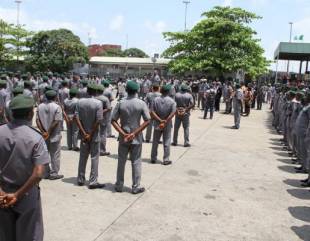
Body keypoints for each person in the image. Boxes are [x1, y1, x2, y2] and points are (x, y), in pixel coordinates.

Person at [0, 95, 50, 241]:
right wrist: (17, 195)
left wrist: (2, 192)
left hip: (2, 194)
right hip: (26, 194)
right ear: (30, 113)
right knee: (29, 234)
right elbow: (39, 173)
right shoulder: (35, 138)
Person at [112, 80, 151, 194]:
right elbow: (147, 120)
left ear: (126, 90)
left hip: (123, 137)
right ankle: (135, 186)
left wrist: (123, 133)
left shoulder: (121, 103)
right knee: (136, 161)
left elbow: (113, 120)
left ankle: (119, 185)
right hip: (136, 138)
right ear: (137, 90)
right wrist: (134, 133)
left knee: (121, 161)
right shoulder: (141, 103)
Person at [75, 84, 105, 189]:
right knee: (94, 158)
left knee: (83, 157)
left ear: (87, 91)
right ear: (96, 92)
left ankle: (80, 179)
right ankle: (93, 181)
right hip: (94, 135)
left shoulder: (80, 102)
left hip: (83, 135)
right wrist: (90, 133)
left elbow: (77, 118)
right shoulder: (98, 103)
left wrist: (84, 133)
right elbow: (99, 120)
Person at [36, 90, 64, 180]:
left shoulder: (40, 106)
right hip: (54, 135)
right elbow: (56, 121)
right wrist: (48, 131)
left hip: (43, 135)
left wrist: (43, 131)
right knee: (55, 154)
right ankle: (54, 173)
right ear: (55, 97)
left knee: (45, 154)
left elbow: (37, 121)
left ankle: (46, 172)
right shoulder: (57, 107)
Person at [150, 84, 176, 165]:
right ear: (168, 92)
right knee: (167, 142)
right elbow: (173, 113)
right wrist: (165, 121)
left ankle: (153, 158)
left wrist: (160, 120)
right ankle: (166, 159)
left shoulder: (155, 100)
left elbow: (152, 112)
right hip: (167, 124)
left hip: (157, 123)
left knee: (155, 142)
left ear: (161, 91)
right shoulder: (172, 101)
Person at [96, 84, 112, 156]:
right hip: (103, 118)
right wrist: (101, 111)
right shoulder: (105, 99)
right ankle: (102, 150)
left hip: (95, 118)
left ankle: (94, 149)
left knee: (95, 133)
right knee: (102, 134)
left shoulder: (94, 98)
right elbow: (109, 108)